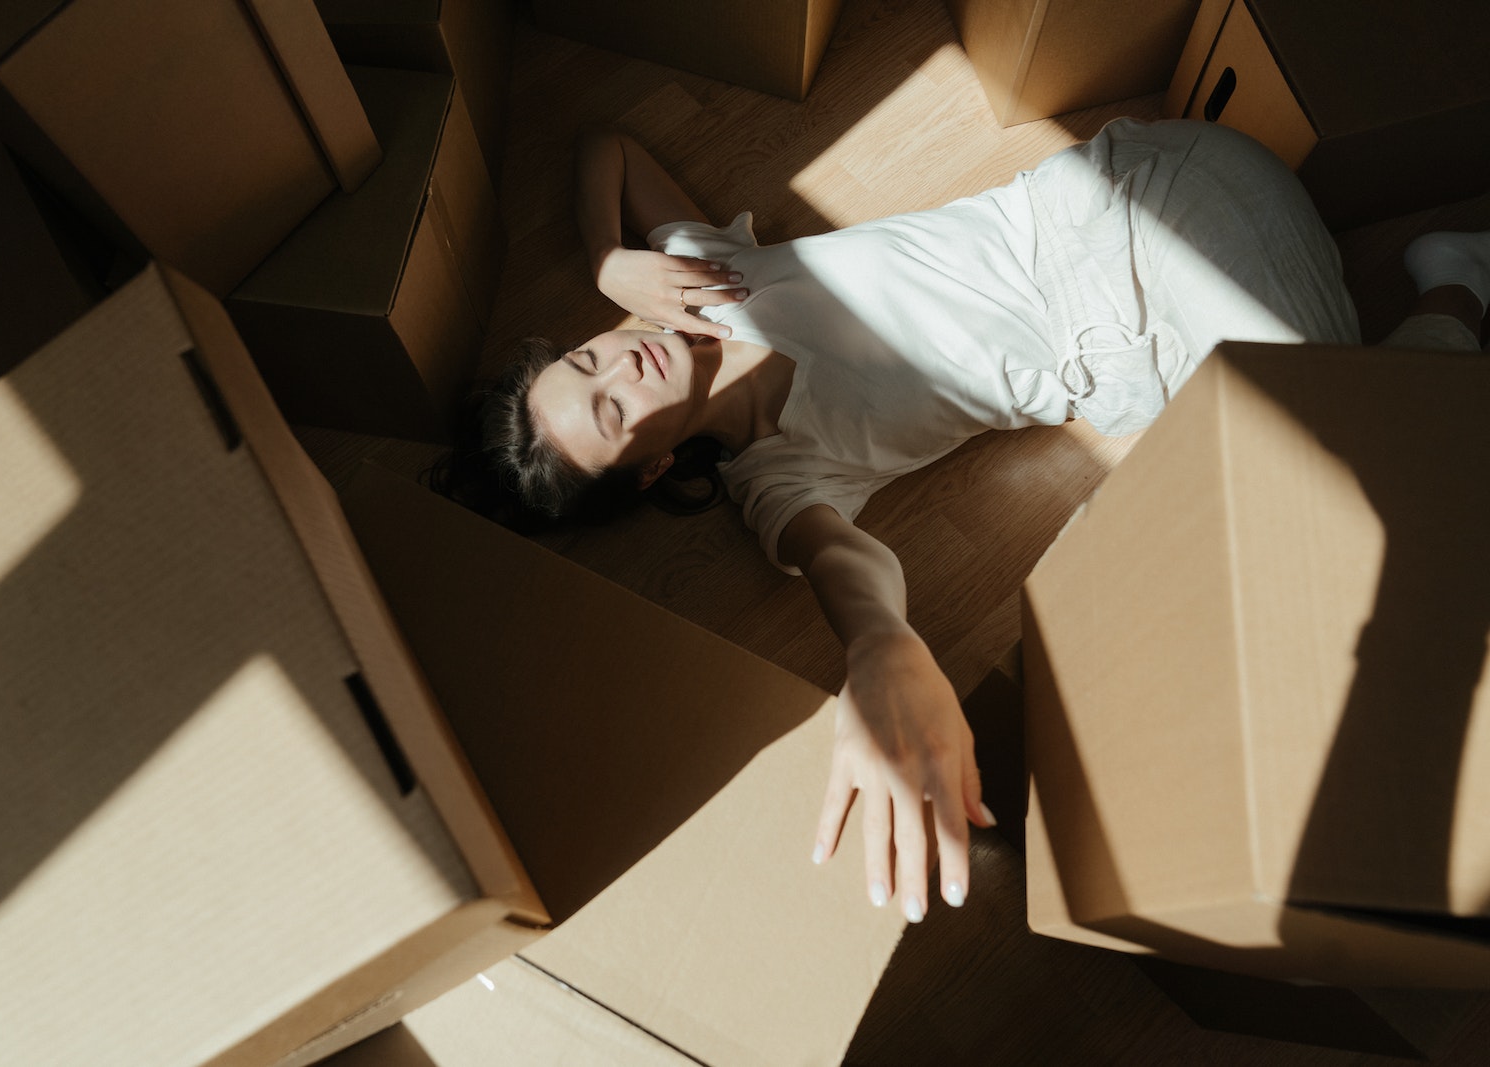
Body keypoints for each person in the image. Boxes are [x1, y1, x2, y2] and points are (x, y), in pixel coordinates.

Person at [443, 116, 1490, 926]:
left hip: (1150, 207)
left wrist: (604, 262)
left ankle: (1458, 288)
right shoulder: (777, 476)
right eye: (612, 412)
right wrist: (883, 644)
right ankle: (1448, 287)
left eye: (587, 359)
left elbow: (606, 149)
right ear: (650, 467)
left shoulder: (697, 280)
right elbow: (843, 558)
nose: (620, 362)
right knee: (1284, 529)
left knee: (1351, 469)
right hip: (1130, 363)